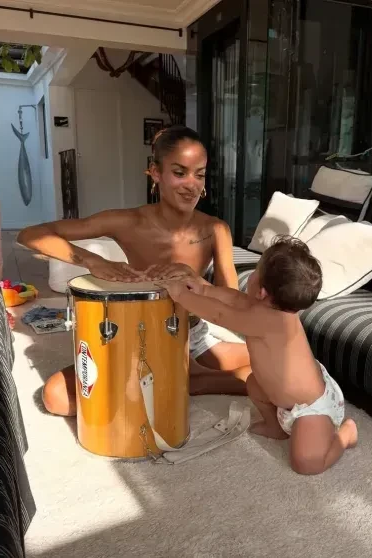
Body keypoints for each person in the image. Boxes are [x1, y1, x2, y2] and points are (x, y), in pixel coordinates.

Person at [17, 126, 251, 417]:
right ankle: (186, 379)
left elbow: (232, 303)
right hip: (140, 336)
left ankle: (189, 379)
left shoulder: (215, 229)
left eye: (199, 174)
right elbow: (31, 234)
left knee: (275, 363)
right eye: (179, 173)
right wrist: (93, 260)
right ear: (155, 173)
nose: (191, 185)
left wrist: (197, 281)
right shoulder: (128, 221)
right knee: (56, 396)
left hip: (193, 335)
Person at [162, 236, 358, 475]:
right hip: (283, 399)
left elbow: (221, 315)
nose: (252, 274)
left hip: (313, 408)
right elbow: (233, 298)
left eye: (256, 270)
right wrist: (204, 289)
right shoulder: (263, 308)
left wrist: (182, 296)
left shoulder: (274, 321)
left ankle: (345, 435)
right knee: (254, 383)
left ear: (262, 291)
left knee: (306, 464)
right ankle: (276, 426)